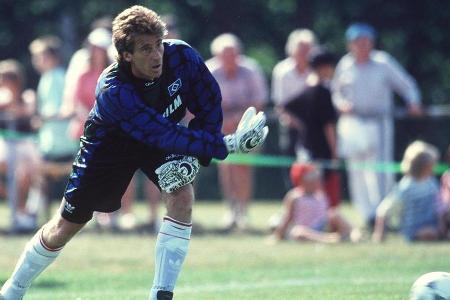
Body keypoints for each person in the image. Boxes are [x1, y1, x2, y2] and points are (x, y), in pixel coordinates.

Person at [0, 5, 268, 300]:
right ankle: (14, 289)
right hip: (109, 148)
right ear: (126, 54)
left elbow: (208, 100)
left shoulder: (180, 55)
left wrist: (203, 151)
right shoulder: (114, 90)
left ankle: (160, 295)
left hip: (157, 137)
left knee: (181, 195)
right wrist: (224, 145)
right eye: (145, 49)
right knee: (67, 225)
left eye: (158, 45)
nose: (156, 56)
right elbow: (159, 132)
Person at [332, 23, 423, 226]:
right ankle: (367, 215)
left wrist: (413, 102)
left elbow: (406, 85)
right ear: (350, 44)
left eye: (367, 42)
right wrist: (341, 104)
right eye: (359, 42)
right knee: (356, 170)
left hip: (379, 123)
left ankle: (385, 214)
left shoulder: (383, 62)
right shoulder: (345, 65)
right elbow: (335, 93)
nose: (363, 46)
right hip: (353, 123)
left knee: (380, 170)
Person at [206, 33, 268, 230]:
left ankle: (243, 210)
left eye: (233, 54)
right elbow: (204, 104)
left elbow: (259, 102)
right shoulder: (209, 70)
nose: (230, 58)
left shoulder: (251, 70)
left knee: (243, 168)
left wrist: (238, 120)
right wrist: (225, 121)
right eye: (225, 55)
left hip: (248, 126)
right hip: (220, 126)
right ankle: (231, 209)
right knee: (226, 168)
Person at [29, 36, 78, 218]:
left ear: (51, 57)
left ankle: (39, 216)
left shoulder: (56, 77)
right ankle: (41, 216)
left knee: (44, 178)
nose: (36, 61)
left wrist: (40, 117)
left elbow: (62, 109)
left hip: (59, 142)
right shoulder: (48, 77)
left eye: (39, 56)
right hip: (51, 141)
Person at [283, 48, 340, 207]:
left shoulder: (306, 89)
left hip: (306, 145)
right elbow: (328, 125)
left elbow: (285, 107)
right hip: (322, 148)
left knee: (308, 188)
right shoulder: (323, 91)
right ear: (323, 67)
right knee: (324, 190)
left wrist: (301, 126)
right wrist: (334, 150)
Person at [270, 163, 358, 244]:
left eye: (316, 177)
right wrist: (277, 235)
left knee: (334, 213)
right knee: (298, 232)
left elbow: (326, 213)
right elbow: (287, 218)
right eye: (311, 177)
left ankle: (354, 232)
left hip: (322, 226)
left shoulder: (320, 195)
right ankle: (330, 239)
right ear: (301, 180)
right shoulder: (294, 197)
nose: (316, 180)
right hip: (306, 229)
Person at [372, 141, 441, 242]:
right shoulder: (405, 187)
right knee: (431, 232)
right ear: (425, 167)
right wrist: (379, 233)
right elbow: (383, 211)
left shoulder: (432, 183)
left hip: (431, 223)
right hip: (413, 229)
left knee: (437, 230)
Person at [0, 59, 40, 232]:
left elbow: (28, 111)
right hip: (5, 144)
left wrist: (11, 102)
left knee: (25, 173)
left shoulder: (28, 96)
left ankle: (22, 212)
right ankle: (16, 205)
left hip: (26, 144)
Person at [272, 29, 316, 161]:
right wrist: (299, 125)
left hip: (315, 126)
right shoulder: (282, 71)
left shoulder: (317, 70)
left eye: (308, 49)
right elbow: (280, 105)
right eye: (301, 49)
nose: (305, 54)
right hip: (291, 126)